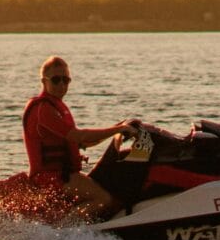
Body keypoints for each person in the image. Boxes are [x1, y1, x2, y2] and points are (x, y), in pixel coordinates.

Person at [23, 56, 136, 218]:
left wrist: (118, 129)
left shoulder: (58, 106)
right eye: (56, 80)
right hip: (51, 178)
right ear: (44, 81)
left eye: (66, 80)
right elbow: (78, 135)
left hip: (65, 175)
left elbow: (85, 142)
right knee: (103, 198)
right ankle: (65, 230)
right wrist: (118, 129)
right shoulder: (43, 109)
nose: (62, 85)